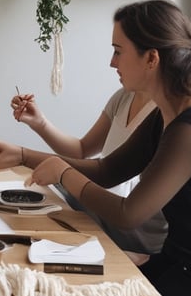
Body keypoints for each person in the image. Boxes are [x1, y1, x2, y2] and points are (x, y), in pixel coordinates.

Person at [0, 0, 191, 296]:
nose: (112, 62)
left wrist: (62, 173)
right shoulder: (167, 117)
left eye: (118, 51)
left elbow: (129, 213)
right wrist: (22, 155)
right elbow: (107, 171)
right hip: (178, 266)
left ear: (151, 58)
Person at [9, 87, 167, 256]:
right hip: (99, 205)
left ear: (151, 60)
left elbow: (123, 206)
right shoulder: (123, 97)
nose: (112, 63)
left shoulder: (165, 113)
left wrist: (23, 156)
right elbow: (82, 151)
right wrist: (39, 122)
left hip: (126, 225)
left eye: (118, 57)